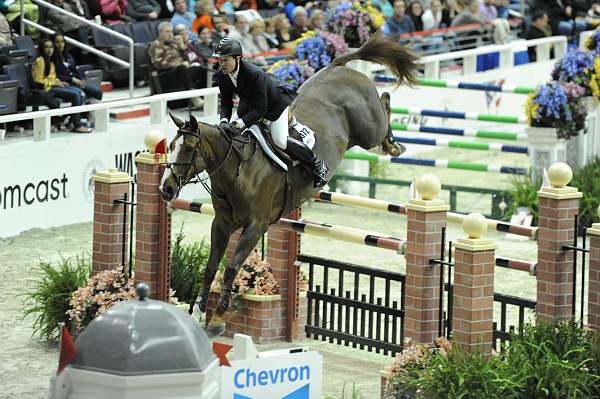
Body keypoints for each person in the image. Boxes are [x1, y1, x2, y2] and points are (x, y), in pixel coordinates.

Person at [212, 37, 328, 187]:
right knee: (227, 134)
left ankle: (317, 164)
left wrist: (238, 123)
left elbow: (261, 109)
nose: (222, 64)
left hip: (274, 105)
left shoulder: (254, 73)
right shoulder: (222, 75)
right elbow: (226, 102)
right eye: (219, 60)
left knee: (280, 140)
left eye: (225, 60)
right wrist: (224, 122)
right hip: (249, 103)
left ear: (237, 58)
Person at [31, 38, 92, 133]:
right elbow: (38, 80)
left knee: (80, 92)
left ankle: (71, 120)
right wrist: (55, 83)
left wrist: (59, 82)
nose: (49, 50)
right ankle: (77, 125)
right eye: (46, 47)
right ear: (42, 49)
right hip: (47, 88)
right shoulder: (40, 60)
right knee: (75, 95)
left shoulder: (51, 60)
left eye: (51, 47)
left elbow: (53, 76)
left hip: (55, 85)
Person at [149, 22, 206, 103]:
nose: (170, 34)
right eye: (167, 32)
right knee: (182, 68)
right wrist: (178, 65)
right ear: (160, 32)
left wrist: (182, 47)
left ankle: (207, 96)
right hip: (166, 74)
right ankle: (194, 98)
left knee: (200, 69)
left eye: (171, 32)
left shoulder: (174, 43)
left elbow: (187, 58)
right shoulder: (156, 45)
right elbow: (158, 64)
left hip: (181, 70)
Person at [51, 33, 102, 103]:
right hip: (64, 83)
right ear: (52, 44)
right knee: (80, 94)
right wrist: (72, 80)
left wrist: (81, 80)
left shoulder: (68, 56)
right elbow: (56, 75)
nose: (60, 45)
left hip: (75, 82)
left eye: (62, 42)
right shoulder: (51, 59)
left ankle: (87, 113)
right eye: (57, 42)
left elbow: (75, 71)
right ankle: (77, 114)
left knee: (97, 92)